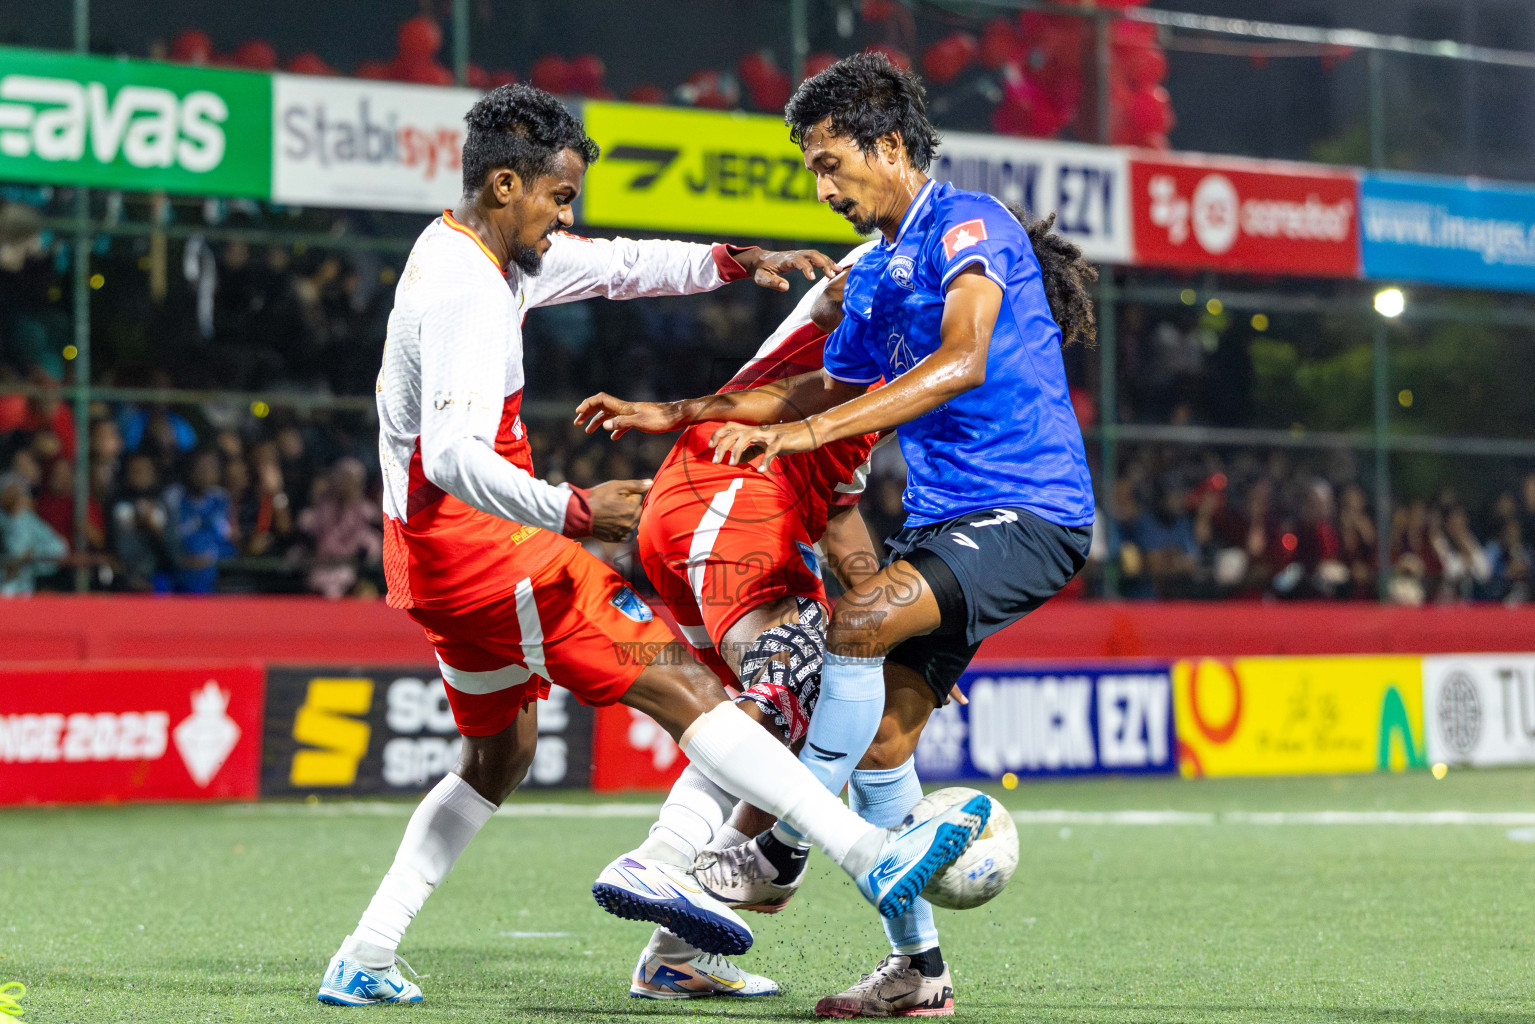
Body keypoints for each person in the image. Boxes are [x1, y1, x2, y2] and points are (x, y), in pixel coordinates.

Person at [317, 83, 991, 1010]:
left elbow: (613, 265)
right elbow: (453, 455)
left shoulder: (473, 250)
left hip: (432, 567)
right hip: (494, 554)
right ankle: (864, 857)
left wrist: (724, 262)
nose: (566, 221)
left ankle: (367, 950)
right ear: (505, 185)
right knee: (690, 687)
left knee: (497, 758)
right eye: (557, 199)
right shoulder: (469, 293)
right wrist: (572, 511)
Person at [577, 53, 1099, 1018]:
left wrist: (803, 435)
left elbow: (964, 357)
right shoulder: (875, 278)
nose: (821, 188)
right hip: (947, 522)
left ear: (889, 146)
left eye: (830, 164)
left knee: (852, 623)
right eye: (812, 169)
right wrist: (679, 409)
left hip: (1030, 512)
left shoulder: (970, 225)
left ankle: (769, 855)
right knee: (876, 747)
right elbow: (824, 384)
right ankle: (919, 975)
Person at [577, 245, 886, 999]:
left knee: (764, 717)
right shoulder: (893, 278)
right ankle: (664, 857)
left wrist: (892, 623)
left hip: (707, 511)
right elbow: (842, 292)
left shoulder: (877, 396)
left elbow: (839, 516)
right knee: (793, 667)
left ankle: (675, 950)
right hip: (732, 488)